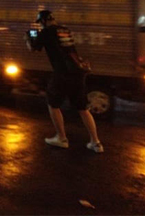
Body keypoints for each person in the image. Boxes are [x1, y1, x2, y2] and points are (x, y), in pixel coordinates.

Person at [26, 10, 104, 153]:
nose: (41, 25)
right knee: (83, 109)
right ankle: (96, 143)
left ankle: (61, 138)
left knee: (53, 104)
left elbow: (33, 48)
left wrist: (28, 38)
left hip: (62, 73)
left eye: (41, 23)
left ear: (44, 21)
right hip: (78, 72)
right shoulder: (65, 30)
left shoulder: (46, 32)